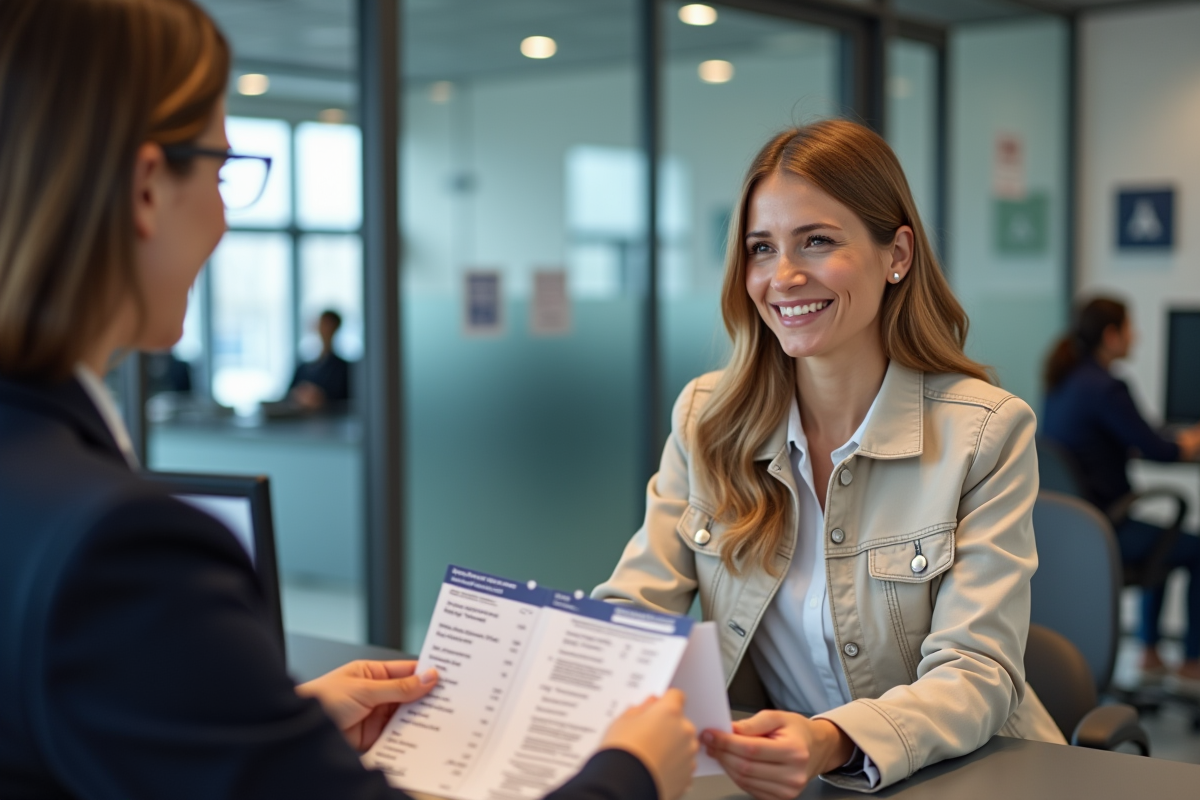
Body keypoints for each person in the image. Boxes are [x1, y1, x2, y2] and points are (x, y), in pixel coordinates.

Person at [0, 1, 696, 798]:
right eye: (223, 172)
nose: (224, 220)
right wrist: (631, 771)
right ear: (148, 188)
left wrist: (269, 727)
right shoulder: (120, 547)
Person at [592, 119, 1064, 796]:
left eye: (817, 241)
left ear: (897, 253)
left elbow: (976, 671)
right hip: (786, 783)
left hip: (965, 776)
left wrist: (832, 738)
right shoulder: (708, 420)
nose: (783, 277)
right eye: (762, 248)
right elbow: (635, 609)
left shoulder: (985, 434)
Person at [1042, 296, 1200, 686]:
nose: (1136, 337)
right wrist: (1189, 442)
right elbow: (1159, 450)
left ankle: (1149, 654)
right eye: (1130, 328)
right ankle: (1192, 662)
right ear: (1111, 335)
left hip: (1071, 529)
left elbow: (1114, 439)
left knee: (1165, 539)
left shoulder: (1065, 380)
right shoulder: (1106, 387)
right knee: (1193, 547)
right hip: (1107, 525)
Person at [289, 309, 351, 410]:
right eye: (322, 324)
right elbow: (289, 394)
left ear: (336, 328)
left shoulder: (343, 368)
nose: (324, 329)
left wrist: (321, 399)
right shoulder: (303, 367)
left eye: (328, 325)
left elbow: (345, 398)